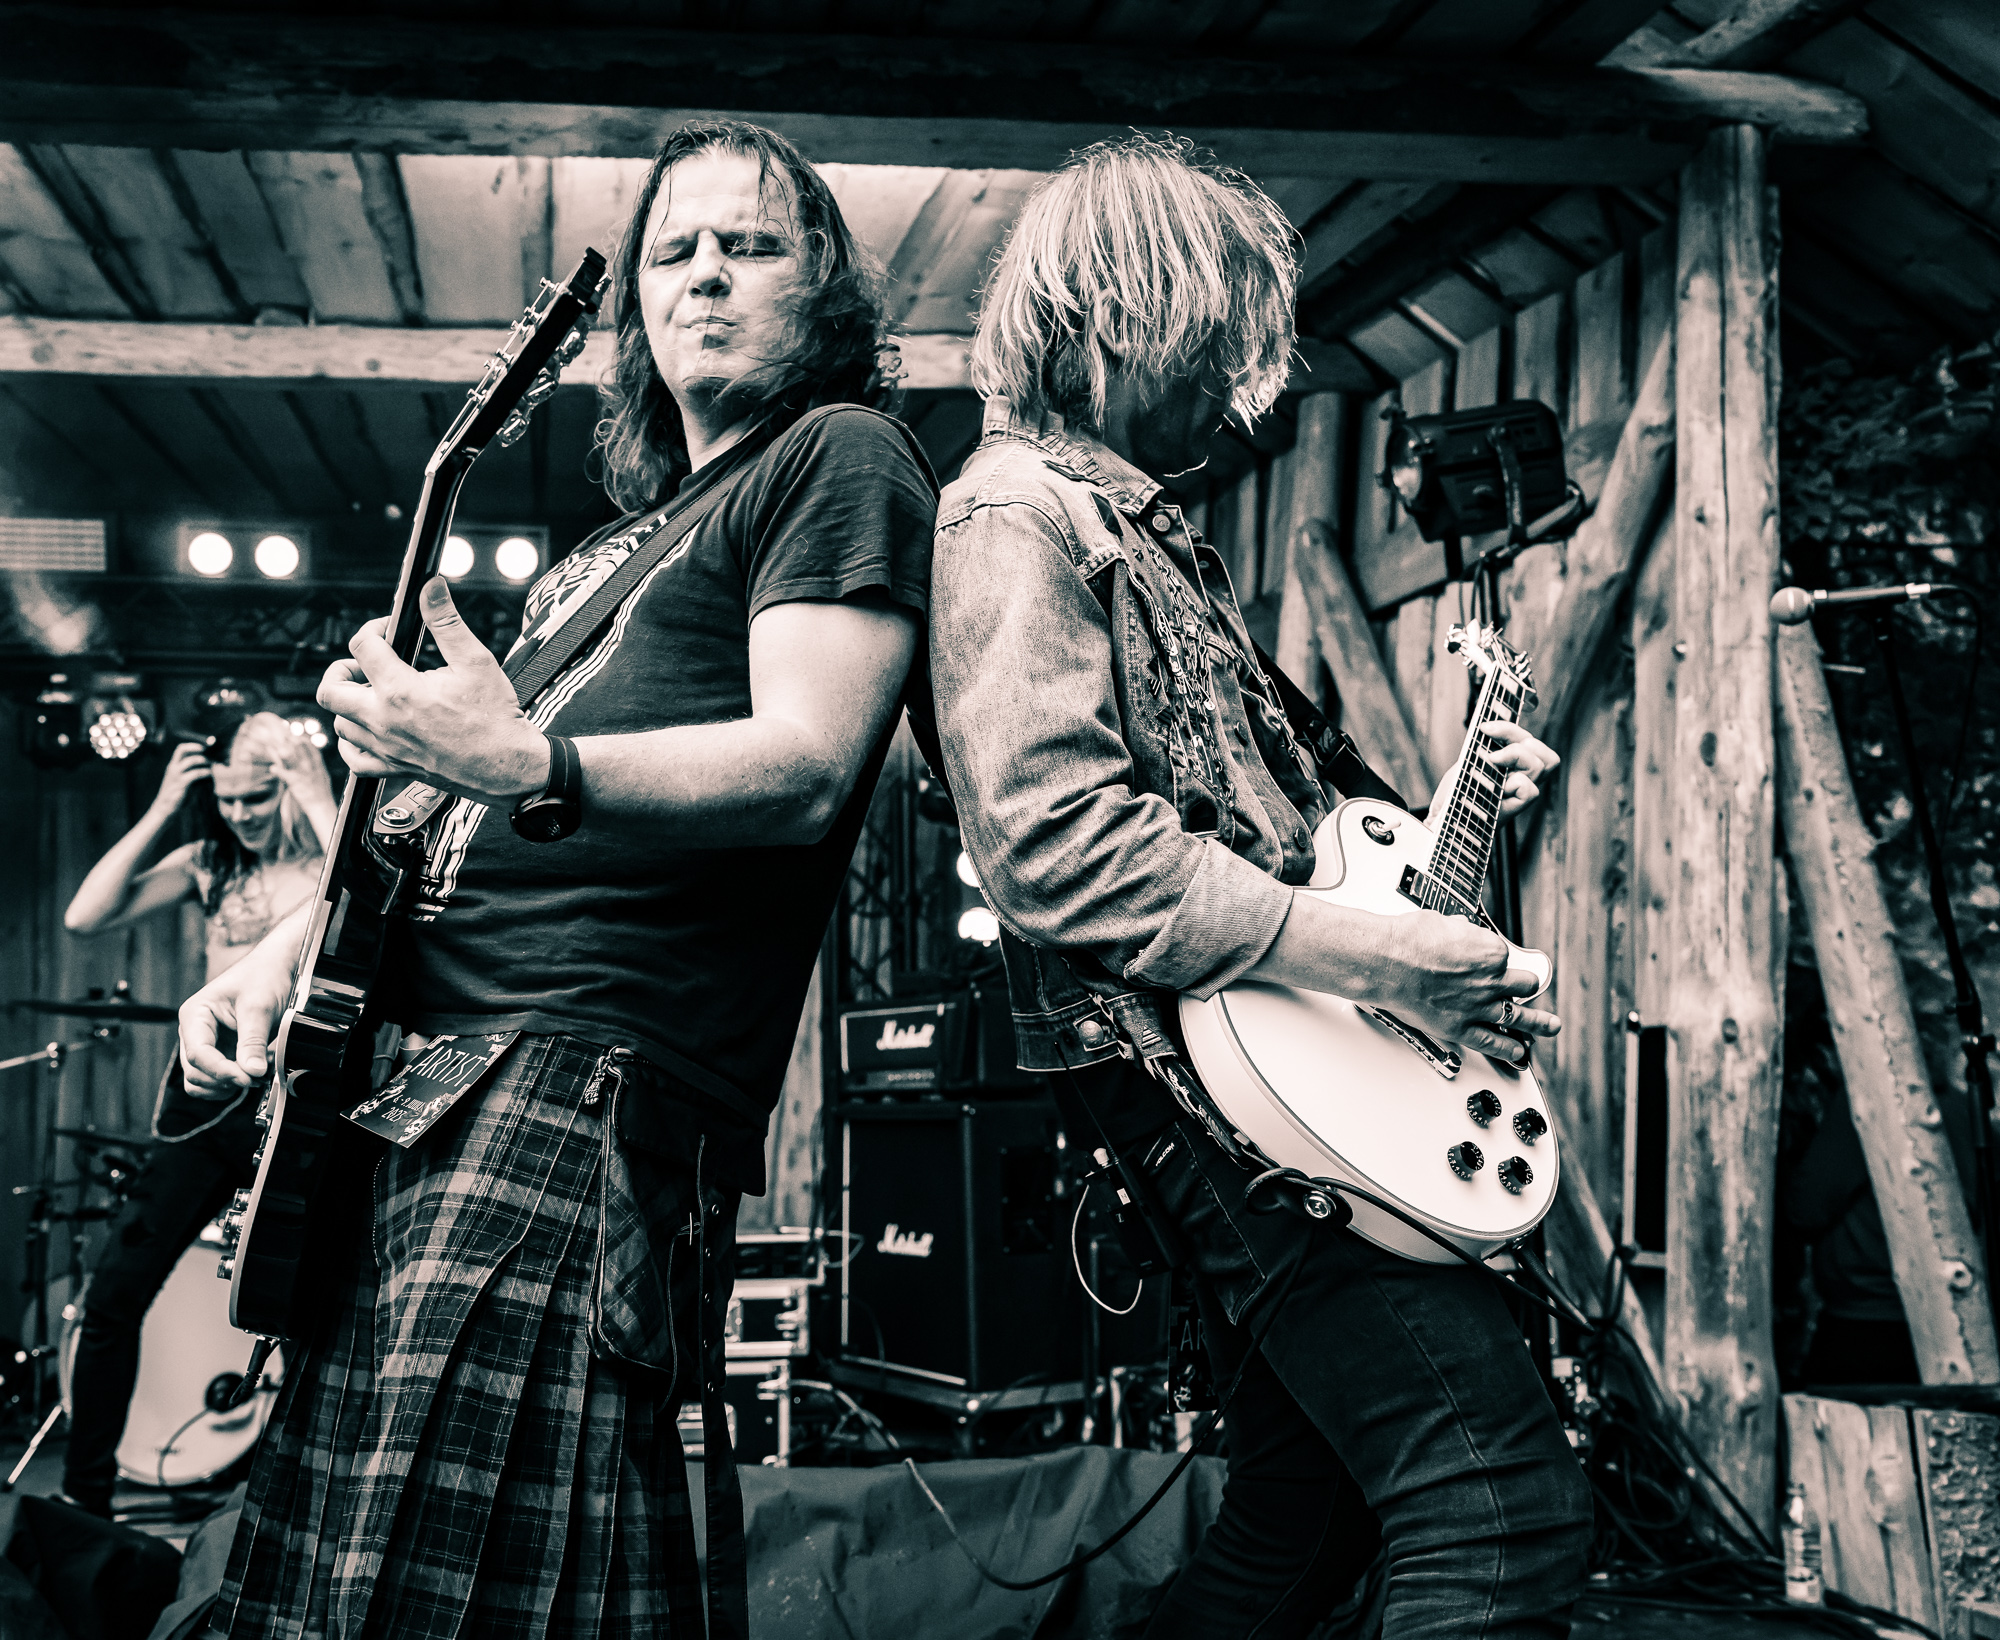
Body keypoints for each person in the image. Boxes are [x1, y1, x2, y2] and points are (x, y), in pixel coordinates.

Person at [176, 120, 935, 1639]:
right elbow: (430, 809)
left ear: (822, 285)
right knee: (338, 1583)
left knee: (445, 1593)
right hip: (421, 1076)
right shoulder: (608, 550)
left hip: (573, 1074)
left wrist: (523, 757)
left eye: (748, 244)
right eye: (673, 250)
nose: (703, 274)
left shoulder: (839, 457)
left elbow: (804, 762)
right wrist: (277, 957)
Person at [925, 134, 1592, 1638]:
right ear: (1118, 310)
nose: (1241, 392)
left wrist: (1460, 823)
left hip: (1274, 1069)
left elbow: (1295, 843)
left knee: (1307, 1511)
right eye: (1214, 342)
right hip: (1200, 1084)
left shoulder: (1149, 533)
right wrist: (1382, 962)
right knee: (1499, 1505)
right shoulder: (1015, 511)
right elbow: (1052, 845)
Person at [59, 713, 336, 1518]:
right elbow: (84, 917)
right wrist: (163, 808)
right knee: (113, 1297)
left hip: (302, 1102)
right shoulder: (210, 863)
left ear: (287, 785)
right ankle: (85, 1503)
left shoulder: (327, 854)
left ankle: (283, 1508)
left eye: (257, 798)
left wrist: (321, 795)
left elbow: (369, 886)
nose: (241, 815)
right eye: (228, 801)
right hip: (210, 1106)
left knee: (311, 1312)